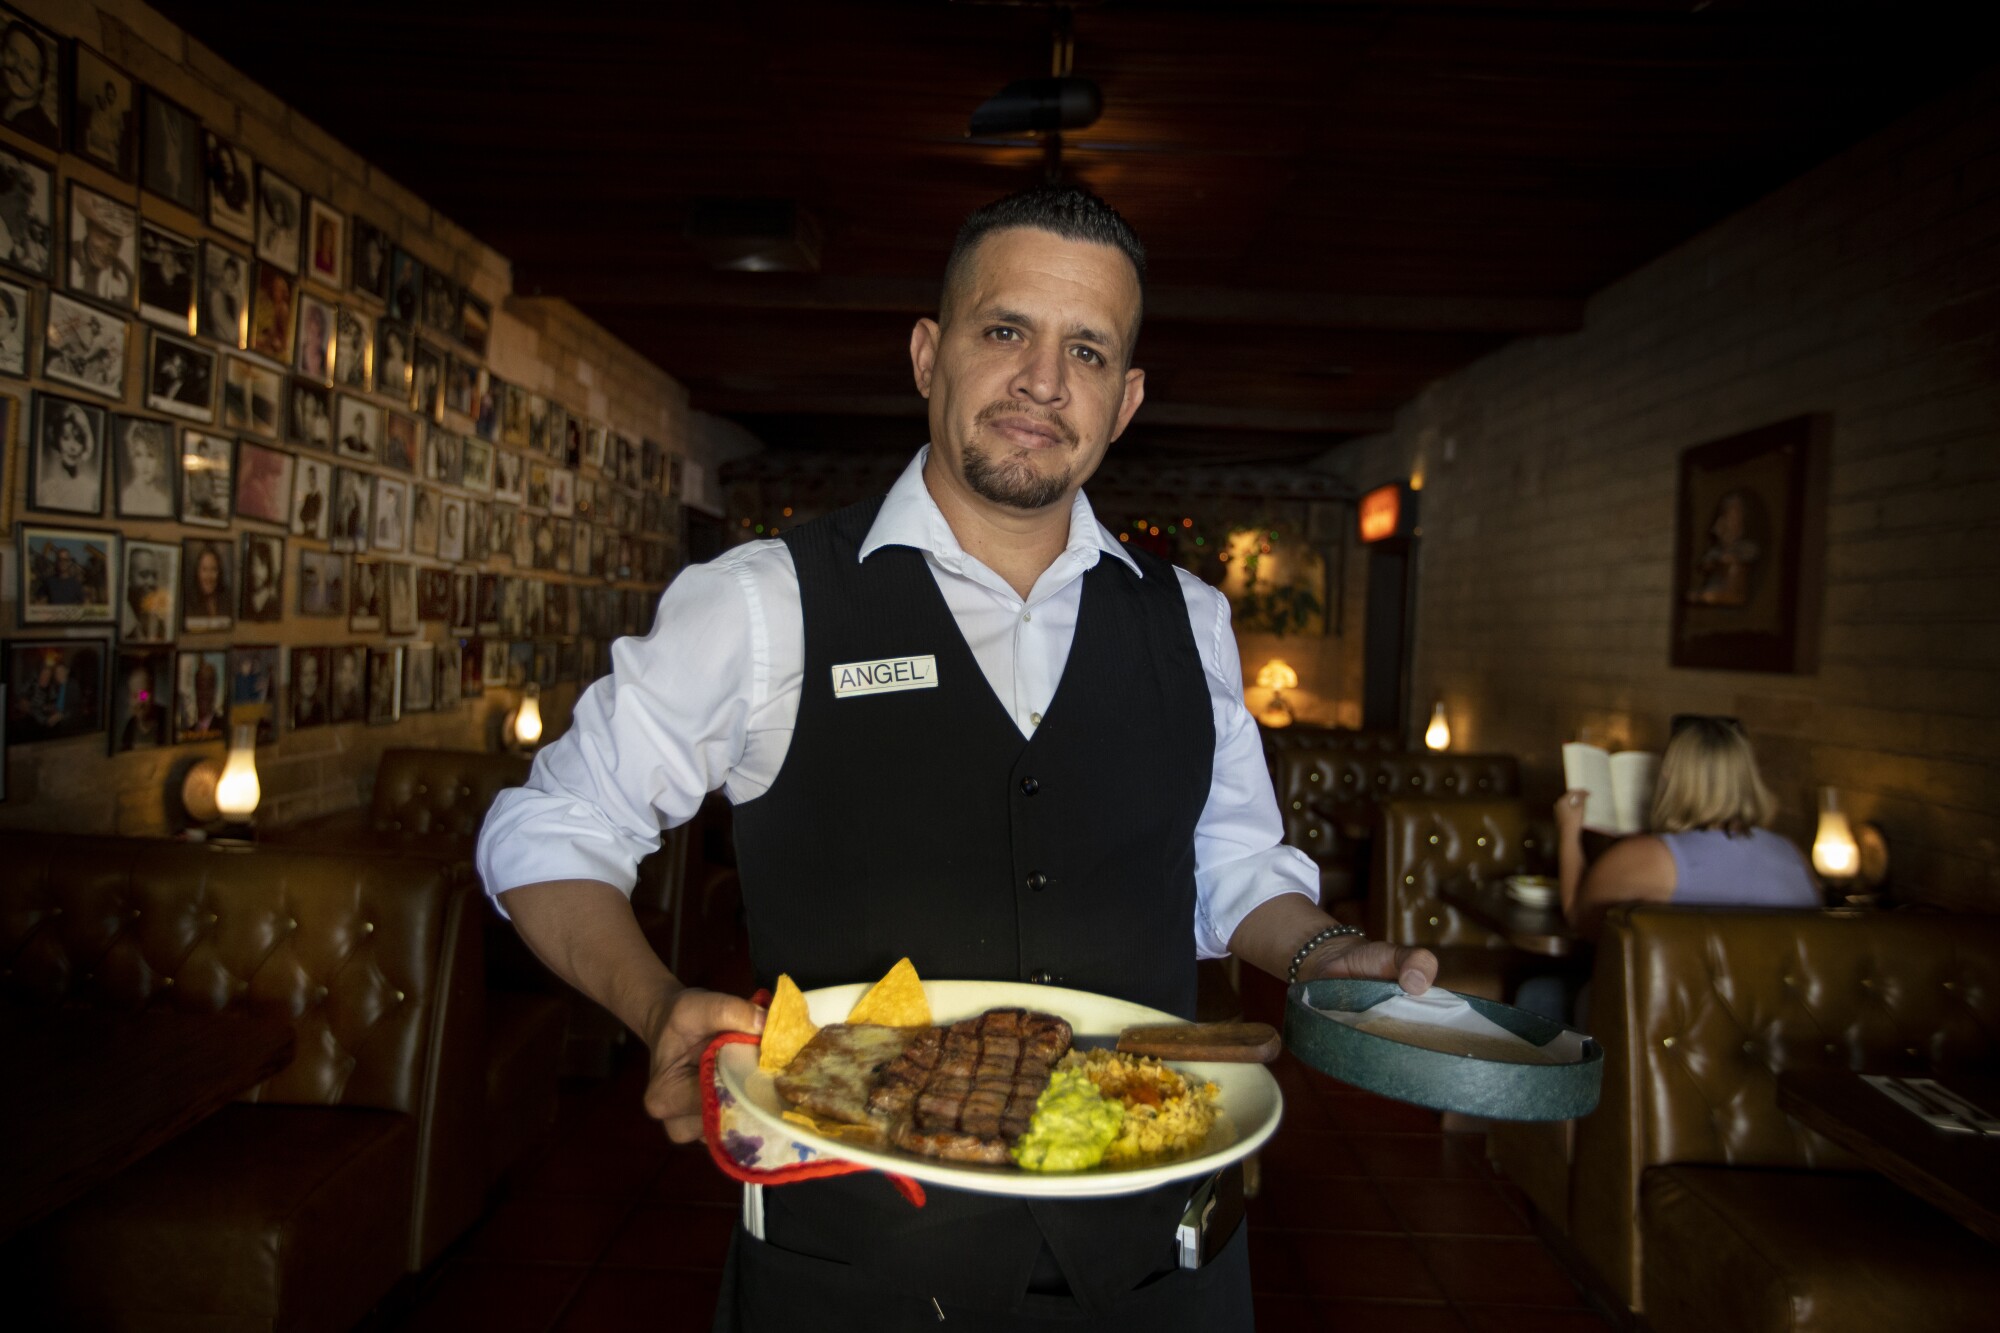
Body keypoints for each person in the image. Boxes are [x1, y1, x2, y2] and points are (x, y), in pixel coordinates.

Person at [476, 186, 1438, 1331]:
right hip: (852, 1268)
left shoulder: (1189, 618)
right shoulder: (762, 601)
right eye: (1004, 331)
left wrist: (1325, 950)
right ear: (929, 355)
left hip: (1157, 1263)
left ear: (1123, 400)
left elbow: (1232, 865)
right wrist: (654, 1002)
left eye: (1085, 349)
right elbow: (549, 828)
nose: (1042, 380)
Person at [1557, 716, 1820, 940]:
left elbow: (1578, 920)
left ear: (1671, 774)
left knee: (1538, 993)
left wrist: (1569, 832)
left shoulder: (1648, 858)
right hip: (1776, 1001)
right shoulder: (1794, 856)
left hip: (1675, 1001)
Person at [37, 402, 99, 512]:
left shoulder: (92, 490)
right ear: (57, 441)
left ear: (84, 445)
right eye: (66, 438)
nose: (73, 447)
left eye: (78, 439)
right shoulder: (44, 489)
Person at [125, 546, 170, 640]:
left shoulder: (158, 619)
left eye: (154, 576)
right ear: (128, 578)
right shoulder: (124, 621)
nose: (151, 582)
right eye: (144, 575)